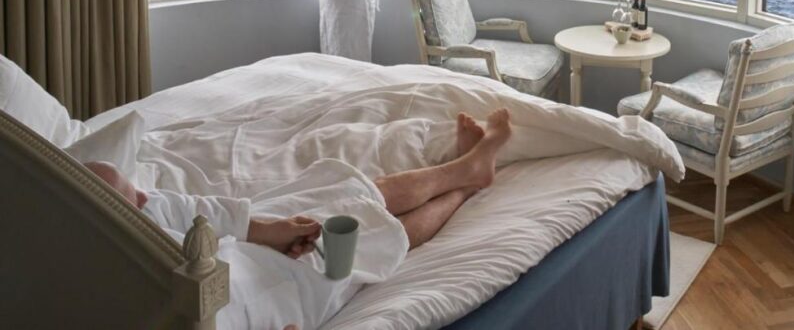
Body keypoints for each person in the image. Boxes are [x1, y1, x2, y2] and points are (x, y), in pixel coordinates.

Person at [84, 109, 510, 254]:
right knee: (373, 232)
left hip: (253, 234)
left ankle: (468, 170)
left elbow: (172, 207)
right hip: (264, 277)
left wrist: (264, 229)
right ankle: (469, 179)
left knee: (355, 192)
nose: (142, 193)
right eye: (135, 197)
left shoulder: (128, 218)